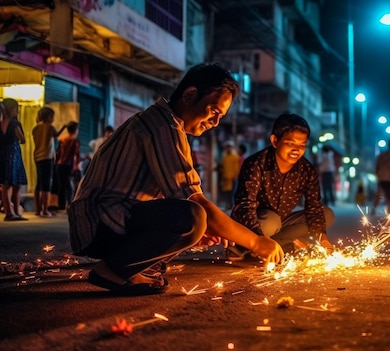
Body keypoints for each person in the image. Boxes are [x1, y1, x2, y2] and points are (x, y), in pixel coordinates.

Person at [68, 63, 283, 295]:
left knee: (193, 222)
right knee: (193, 215)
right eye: (214, 111)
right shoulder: (163, 127)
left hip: (106, 221)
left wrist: (192, 233)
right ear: (190, 95)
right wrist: (256, 242)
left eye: (220, 117)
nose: (215, 122)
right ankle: (113, 270)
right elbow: (198, 203)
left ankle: (135, 268)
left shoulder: (164, 124)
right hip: (101, 223)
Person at [230, 113, 334, 259]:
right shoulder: (256, 164)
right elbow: (245, 206)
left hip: (281, 222)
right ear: (275, 141)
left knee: (326, 214)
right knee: (271, 221)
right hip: (254, 223)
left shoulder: (306, 170)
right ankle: (242, 247)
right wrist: (259, 237)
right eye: (290, 144)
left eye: (302, 145)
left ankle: (275, 245)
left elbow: (314, 207)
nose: (296, 150)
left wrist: (322, 239)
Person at [31, 107, 68, 217]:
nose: (53, 119)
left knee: (39, 184)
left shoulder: (35, 128)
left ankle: (38, 209)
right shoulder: (50, 127)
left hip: (37, 157)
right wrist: (63, 127)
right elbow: (56, 135)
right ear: (48, 117)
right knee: (46, 185)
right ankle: (45, 210)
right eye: (52, 117)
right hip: (47, 158)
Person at [0, 98, 28, 221]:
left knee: (5, 185)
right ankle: (15, 212)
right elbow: (22, 139)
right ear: (12, 110)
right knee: (16, 185)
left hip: (2, 154)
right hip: (13, 155)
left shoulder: (0, 122)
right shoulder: (15, 123)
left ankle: (9, 212)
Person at [55, 121, 80, 212]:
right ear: (75, 130)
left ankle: (61, 206)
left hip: (59, 165)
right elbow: (75, 155)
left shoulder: (62, 139)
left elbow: (57, 153)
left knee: (61, 186)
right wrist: (75, 167)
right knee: (69, 186)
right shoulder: (74, 140)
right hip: (69, 165)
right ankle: (69, 205)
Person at [372, 138, 390, 215]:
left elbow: (377, 167)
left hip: (383, 178)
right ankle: (389, 212)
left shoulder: (382, 155)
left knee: (379, 194)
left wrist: (378, 175)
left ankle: (373, 209)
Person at [218, 141, 240, 210]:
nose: (228, 149)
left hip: (233, 178)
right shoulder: (224, 158)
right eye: (227, 147)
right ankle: (228, 205)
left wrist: (236, 176)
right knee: (227, 193)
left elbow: (237, 167)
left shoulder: (235, 157)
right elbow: (222, 167)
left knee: (232, 193)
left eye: (229, 147)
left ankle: (232, 206)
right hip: (226, 179)